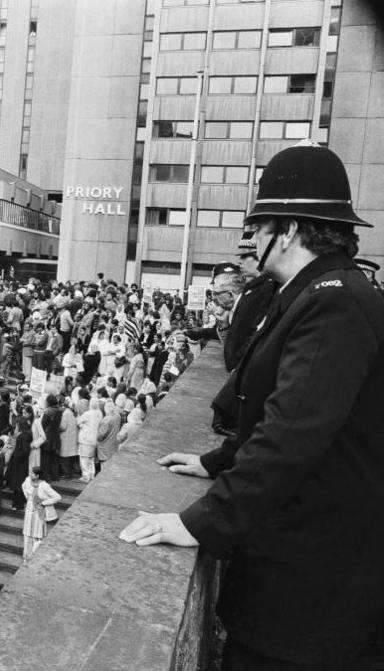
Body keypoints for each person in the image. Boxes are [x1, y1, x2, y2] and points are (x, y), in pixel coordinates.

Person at [121, 142, 384, 669]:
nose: (252, 239)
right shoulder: (313, 293)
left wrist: (201, 523)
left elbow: (292, 432)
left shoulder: (335, 300)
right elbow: (274, 407)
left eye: (259, 227)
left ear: (287, 230)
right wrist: (215, 462)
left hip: (314, 592)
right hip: (301, 570)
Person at [21, 467, 61, 561]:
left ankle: (35, 557)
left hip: (39, 512)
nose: (30, 475)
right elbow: (23, 486)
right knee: (27, 533)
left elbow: (57, 497)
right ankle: (26, 556)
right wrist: (28, 497)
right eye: (30, 473)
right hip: (29, 510)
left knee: (37, 534)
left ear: (38, 475)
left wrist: (44, 503)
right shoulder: (27, 480)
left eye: (32, 473)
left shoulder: (44, 485)